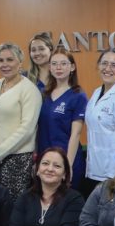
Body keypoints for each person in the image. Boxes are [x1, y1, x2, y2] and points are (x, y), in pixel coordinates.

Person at [0, 42, 42, 201]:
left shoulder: (30, 90)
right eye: (0, 60)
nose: (5, 64)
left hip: (17, 159)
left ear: (20, 62)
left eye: (10, 60)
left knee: (11, 205)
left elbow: (27, 128)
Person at [37, 46, 88, 190]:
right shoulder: (44, 94)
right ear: (49, 68)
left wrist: (67, 166)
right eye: (54, 64)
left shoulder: (78, 95)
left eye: (63, 63)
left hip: (66, 158)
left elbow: (76, 134)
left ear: (72, 67)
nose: (58, 67)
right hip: (45, 160)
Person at [84, 49, 115, 197]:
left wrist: (113, 175)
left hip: (112, 173)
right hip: (94, 168)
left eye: (113, 65)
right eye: (104, 63)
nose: (107, 68)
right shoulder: (97, 92)